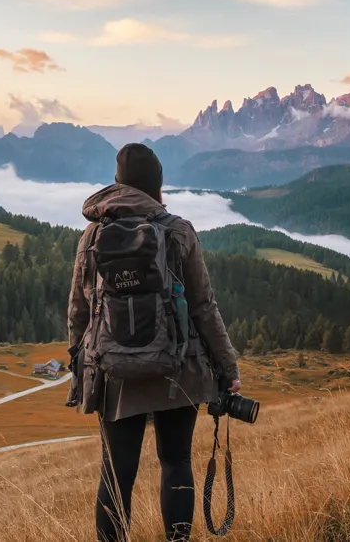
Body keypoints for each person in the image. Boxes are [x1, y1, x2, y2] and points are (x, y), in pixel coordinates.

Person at [68, 143, 241, 542]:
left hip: (114, 372)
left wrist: (80, 368)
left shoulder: (93, 235)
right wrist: (228, 369)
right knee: (177, 460)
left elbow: (79, 309)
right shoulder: (178, 229)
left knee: (116, 473)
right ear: (156, 185)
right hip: (177, 367)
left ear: (118, 182)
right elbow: (203, 307)